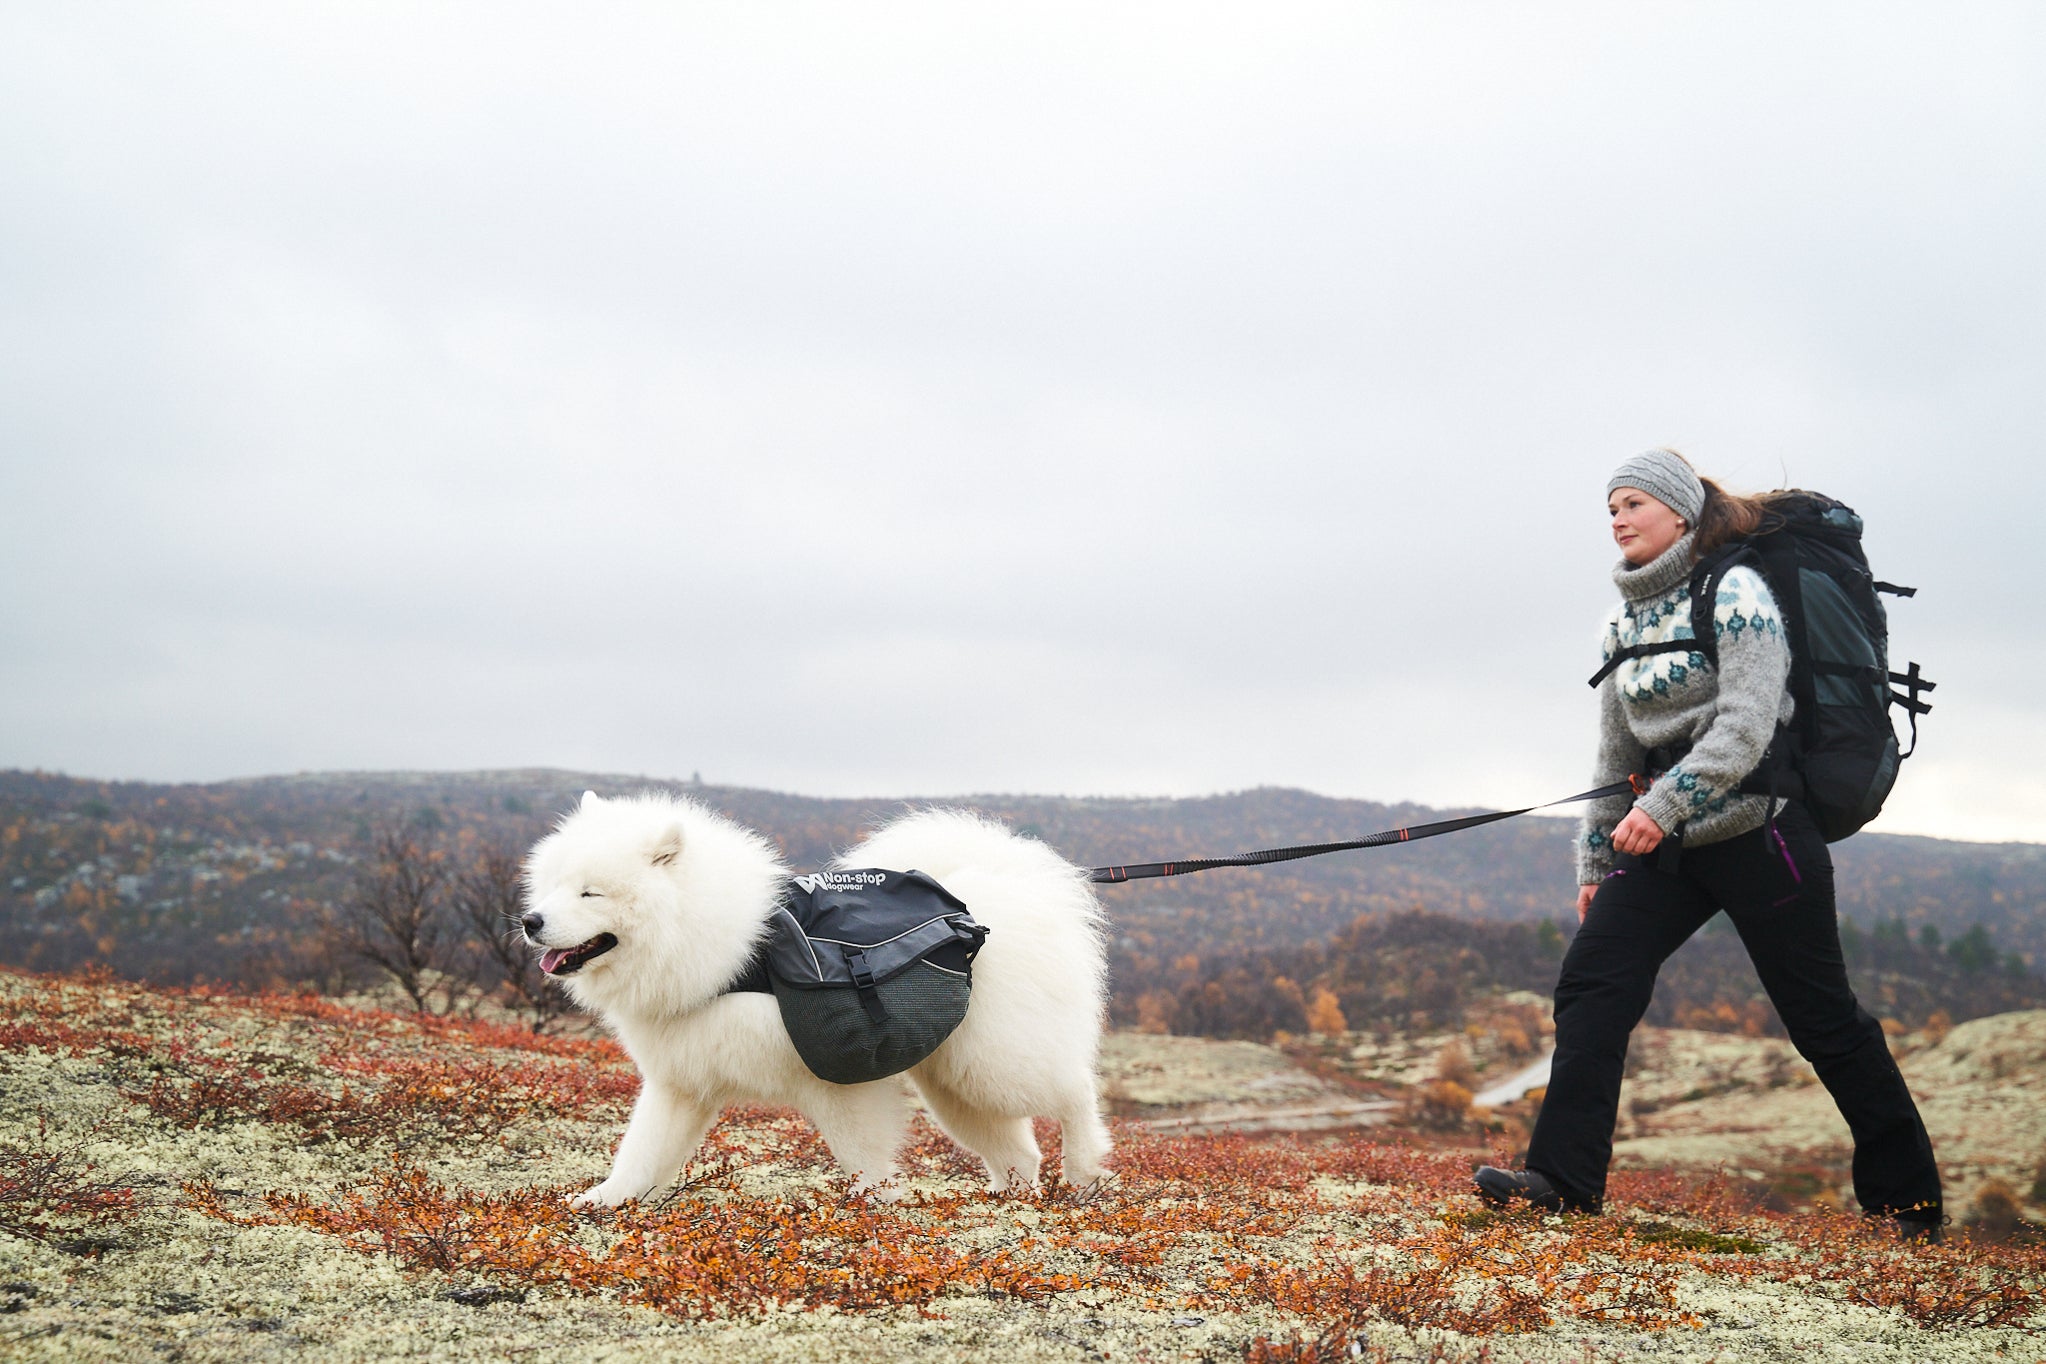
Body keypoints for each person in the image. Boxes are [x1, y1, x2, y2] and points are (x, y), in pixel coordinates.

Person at [1473, 449, 1943, 1238]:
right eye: (1611, 508)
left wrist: (1661, 809)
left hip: (1761, 834)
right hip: (1666, 844)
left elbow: (1748, 724)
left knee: (1824, 1022)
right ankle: (1563, 1180)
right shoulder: (1623, 621)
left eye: (1633, 504)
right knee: (1592, 988)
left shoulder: (1738, 593)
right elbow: (1614, 756)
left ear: (1681, 513)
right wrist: (1596, 862)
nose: (1618, 519)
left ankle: (1909, 1208)